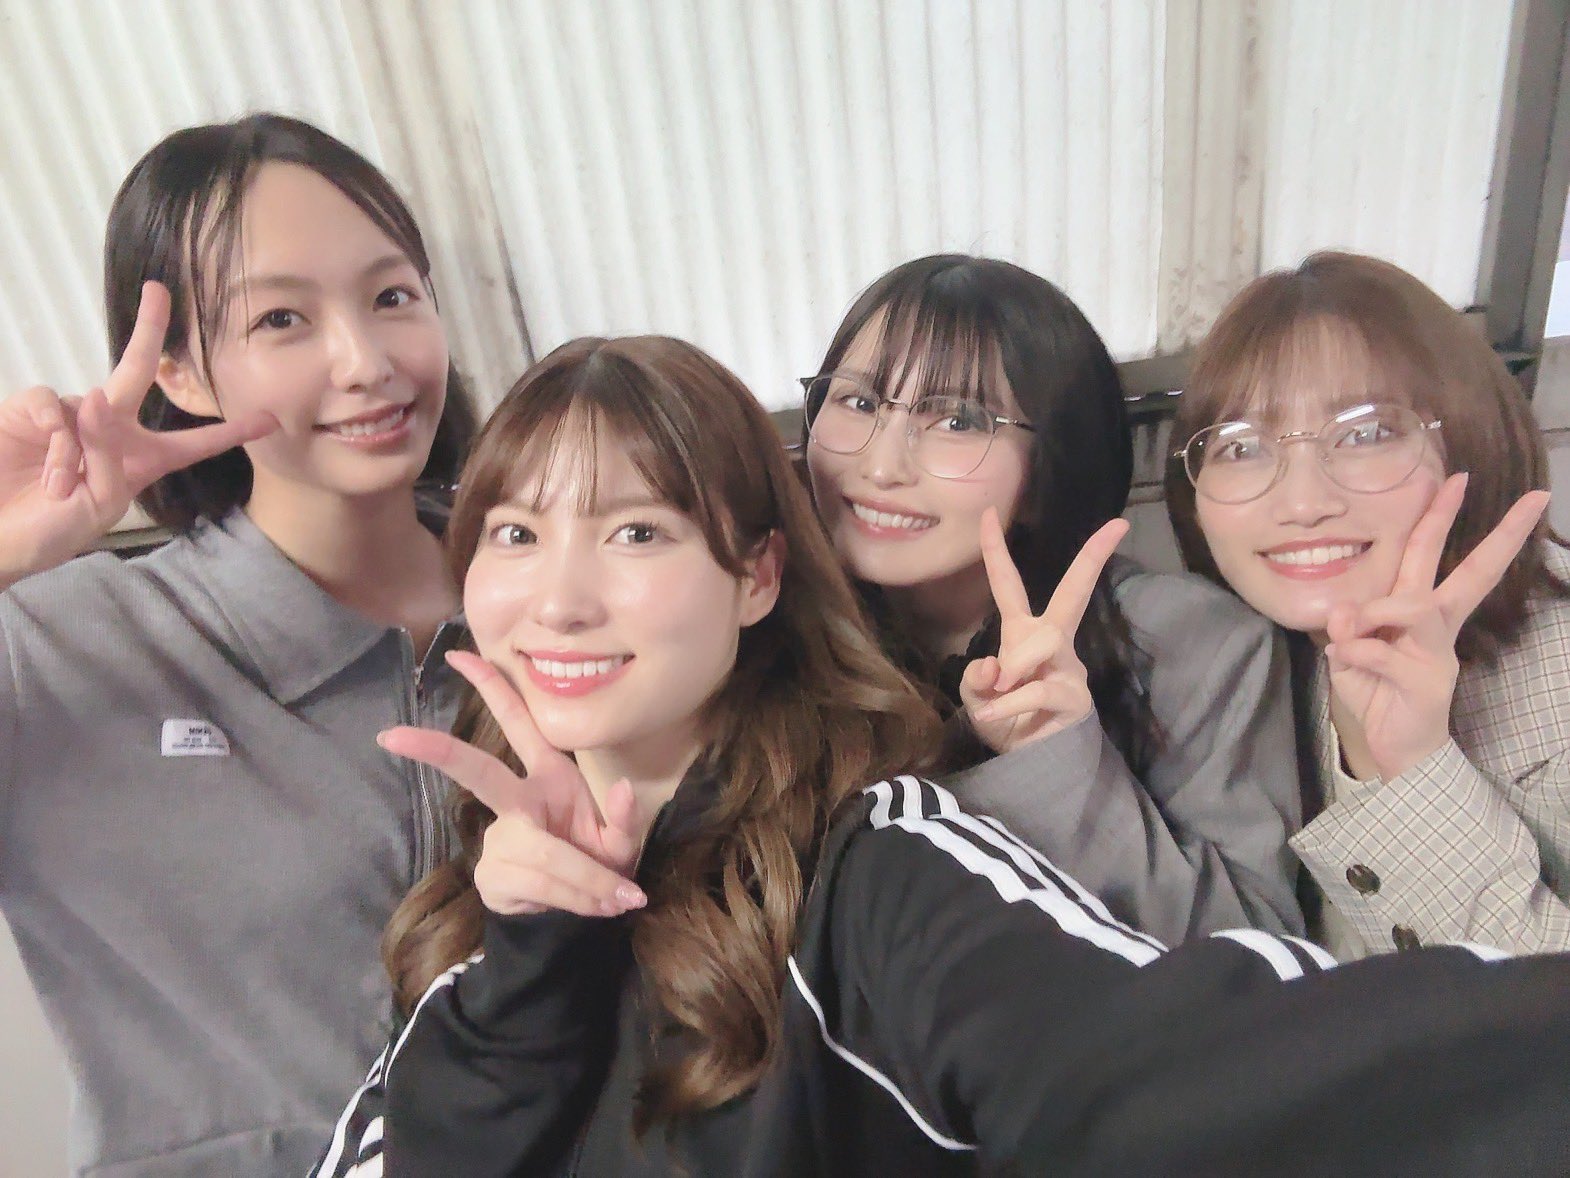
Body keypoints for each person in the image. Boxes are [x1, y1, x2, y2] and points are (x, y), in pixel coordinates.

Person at [318, 335, 1570, 1177]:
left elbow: (1162, 1065)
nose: (558, 599)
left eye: (636, 529)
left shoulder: (876, 868)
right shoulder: (475, 904)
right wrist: (533, 964)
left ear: (755, 574)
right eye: (514, 532)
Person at [0, 113, 476, 1175]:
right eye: (282, 319)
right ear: (181, 373)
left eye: (392, 297)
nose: (366, 362)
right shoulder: (62, 647)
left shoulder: (552, 604)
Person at [801, 254, 1302, 942]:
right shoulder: (771, 633)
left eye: (957, 420)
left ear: (1048, 469)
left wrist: (1056, 758)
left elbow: (1257, 946)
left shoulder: (1190, 642)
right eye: (858, 402)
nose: (881, 466)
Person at [1165, 249, 1569, 958]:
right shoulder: (1242, 661)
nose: (1302, 503)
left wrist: (1414, 768)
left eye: (1367, 433)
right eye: (1240, 446)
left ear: (1473, 441)